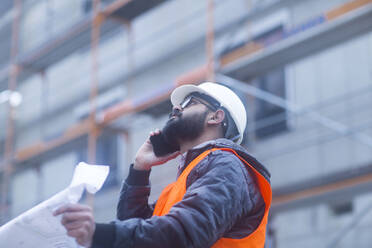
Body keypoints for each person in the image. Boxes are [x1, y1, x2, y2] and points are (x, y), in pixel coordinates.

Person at [54, 82, 272, 248]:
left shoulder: (227, 165)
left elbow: (185, 232)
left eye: (189, 103)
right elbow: (142, 233)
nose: (176, 108)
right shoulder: (185, 183)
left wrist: (98, 233)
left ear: (216, 117)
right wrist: (140, 170)